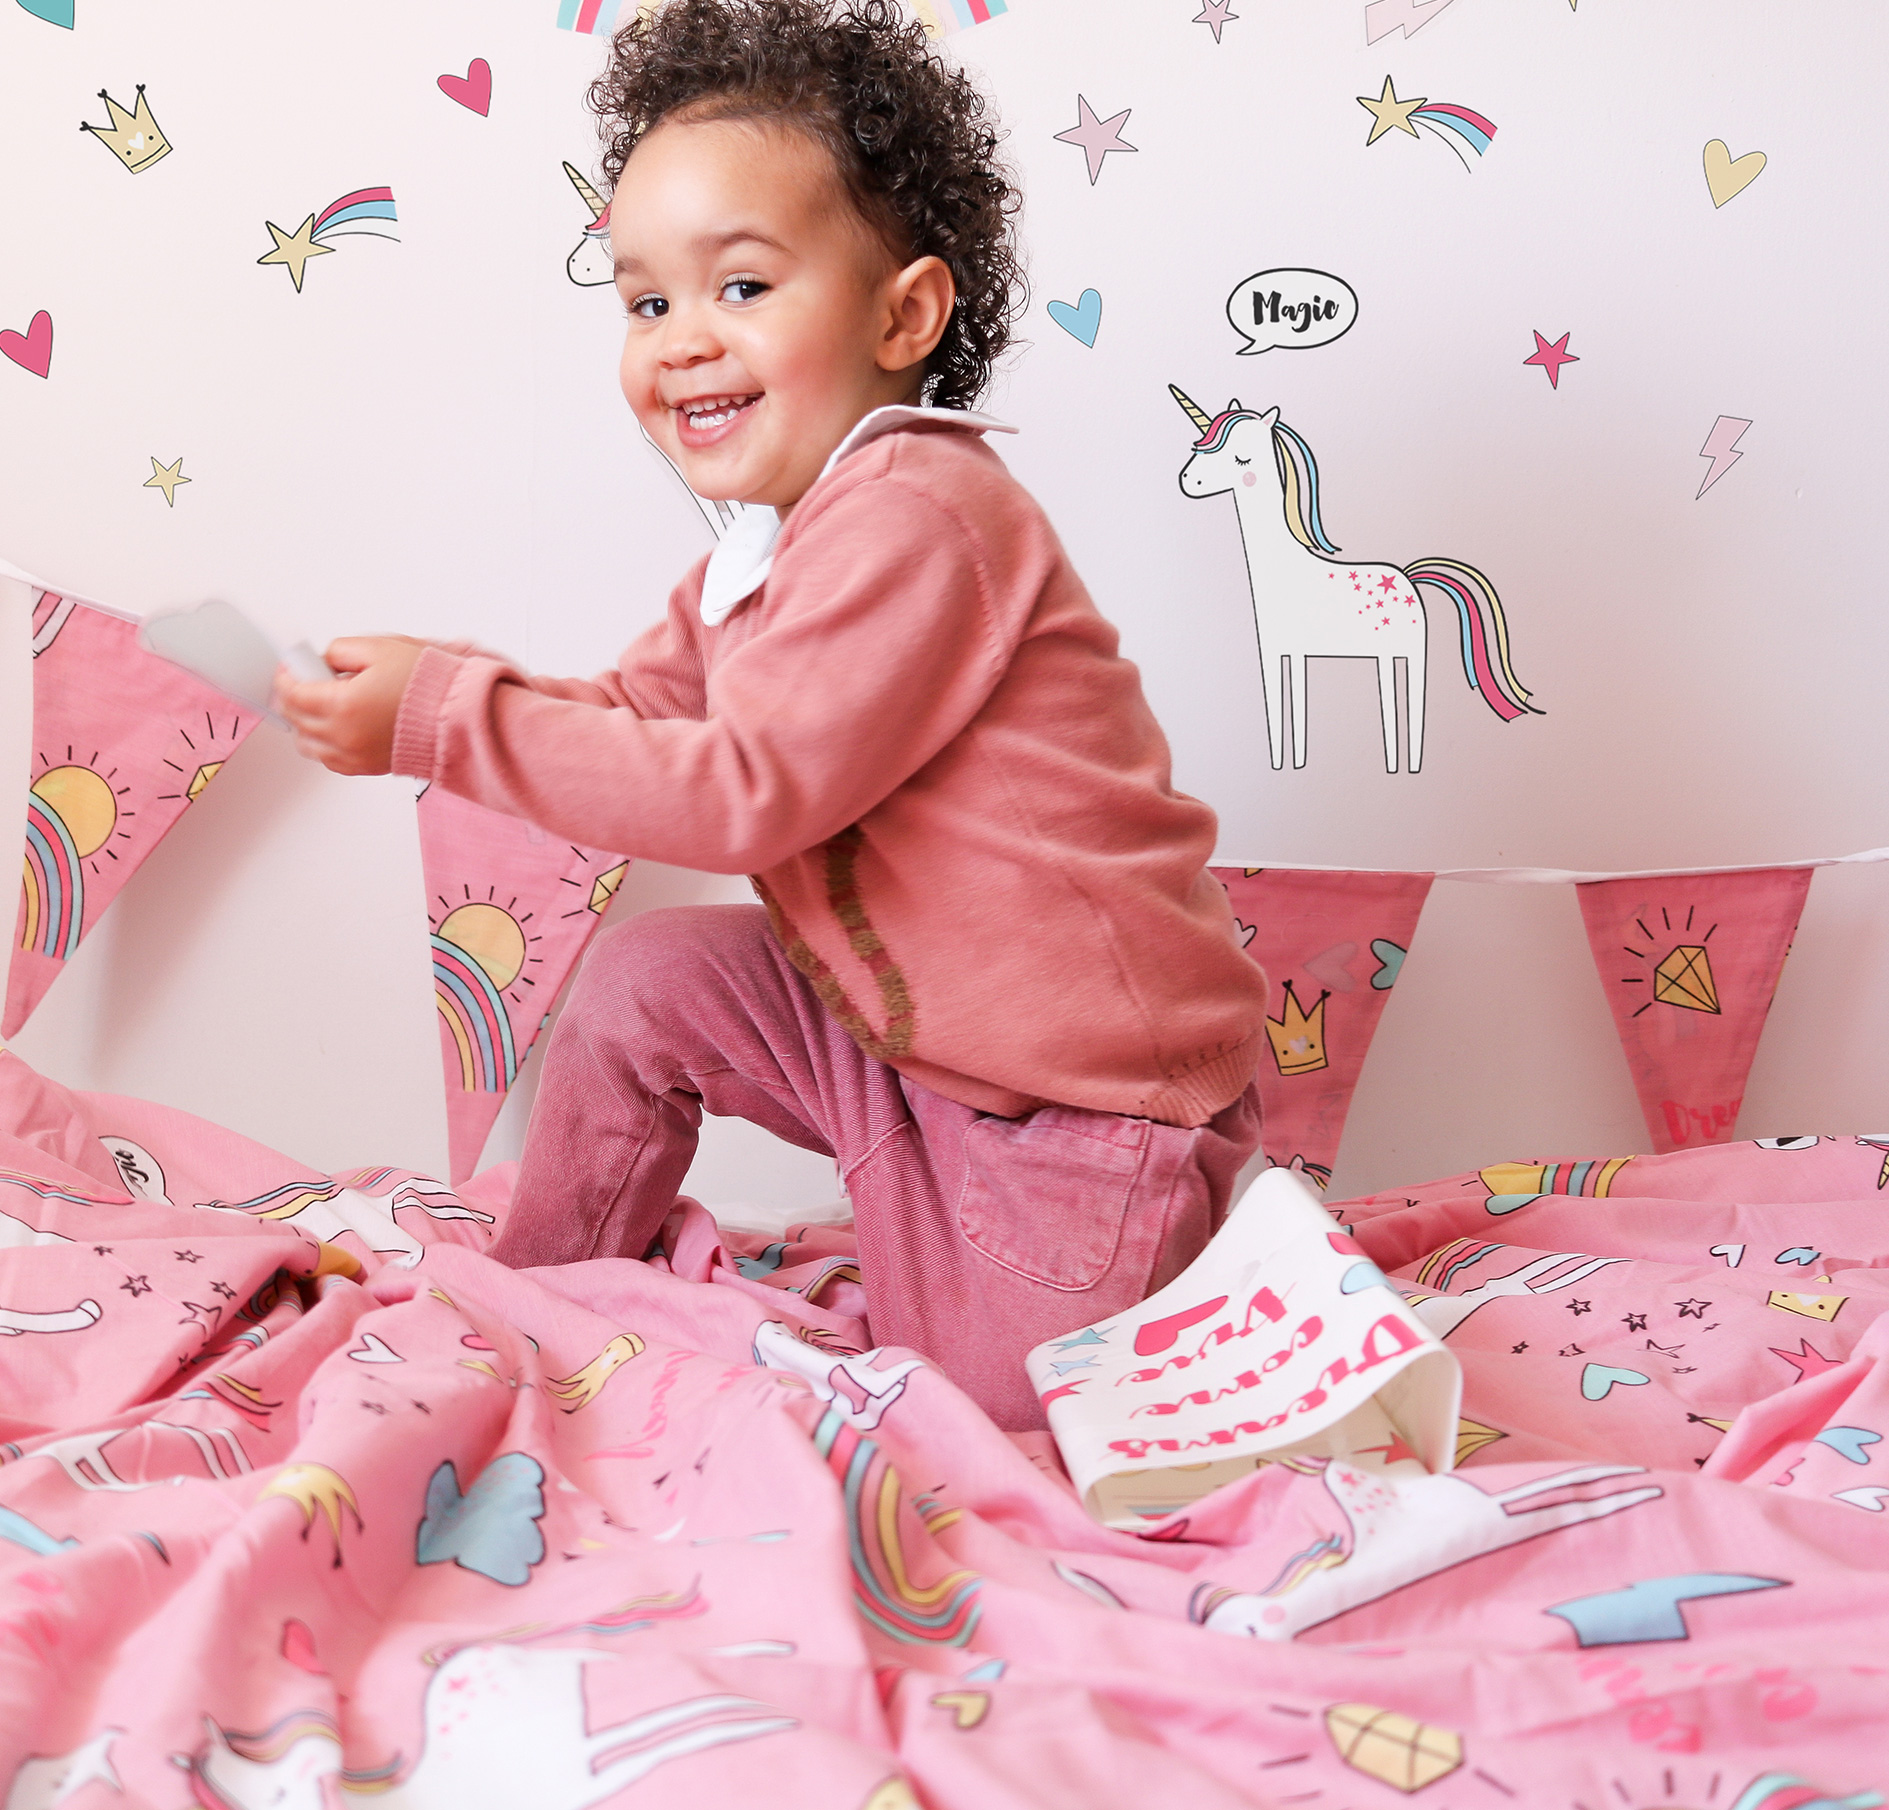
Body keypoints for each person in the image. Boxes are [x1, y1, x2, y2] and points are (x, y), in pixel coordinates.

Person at [277, 0, 1267, 1428]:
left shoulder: (923, 515)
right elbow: (635, 713)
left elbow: (740, 791)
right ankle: (535, 1292)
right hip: (919, 1053)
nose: (681, 340)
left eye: (740, 288)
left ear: (902, 314)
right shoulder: (763, 549)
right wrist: (444, 682)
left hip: (1081, 1109)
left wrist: (444, 718)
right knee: (640, 987)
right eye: (644, 301)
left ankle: (1201, 1240)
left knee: (1008, 1413)